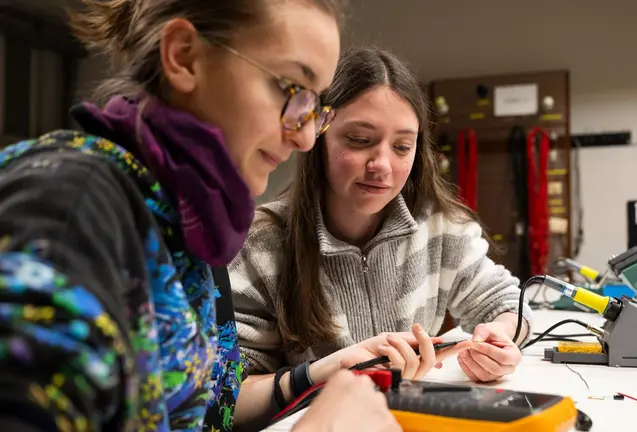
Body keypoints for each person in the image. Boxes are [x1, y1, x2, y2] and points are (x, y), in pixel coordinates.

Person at [0, 1, 401, 431]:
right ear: (183, 56)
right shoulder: (70, 207)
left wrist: (318, 373)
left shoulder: (190, 220)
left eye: (314, 107)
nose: (304, 137)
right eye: (291, 90)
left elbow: (205, 413)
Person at [229, 46, 534, 423]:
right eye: (359, 140)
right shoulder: (261, 244)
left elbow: (508, 302)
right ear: (317, 139)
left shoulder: (441, 228)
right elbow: (227, 398)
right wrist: (324, 372)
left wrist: (501, 339)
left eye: (402, 146)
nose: (382, 166)